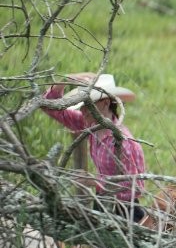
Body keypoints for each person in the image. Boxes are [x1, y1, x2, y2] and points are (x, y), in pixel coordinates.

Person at [42, 73, 147, 223]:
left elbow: (135, 187)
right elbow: (50, 106)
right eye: (82, 104)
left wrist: (96, 182)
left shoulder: (125, 142)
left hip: (125, 214)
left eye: (88, 103)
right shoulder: (90, 125)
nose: (83, 110)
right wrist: (64, 80)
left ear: (105, 103)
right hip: (102, 203)